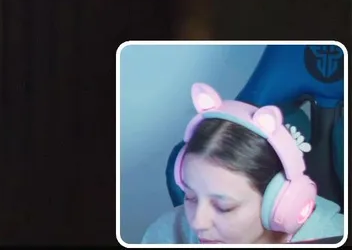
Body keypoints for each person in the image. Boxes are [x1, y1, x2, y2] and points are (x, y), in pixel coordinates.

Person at [142, 82, 346, 244]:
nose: (197, 223)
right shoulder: (167, 234)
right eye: (190, 197)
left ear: (281, 205)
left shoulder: (334, 237)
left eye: (224, 207)